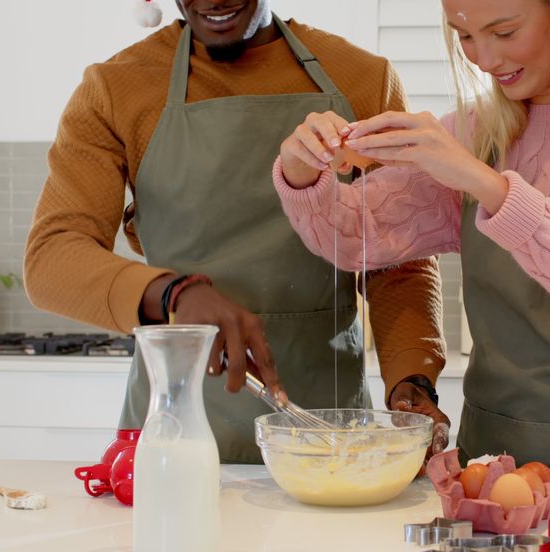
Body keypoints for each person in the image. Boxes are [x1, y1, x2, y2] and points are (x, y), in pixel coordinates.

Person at [274, 0, 550, 469]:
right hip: (496, 458)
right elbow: (353, 240)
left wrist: (484, 182)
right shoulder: (473, 130)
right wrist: (302, 170)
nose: (483, 58)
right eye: (464, 36)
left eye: (503, 33)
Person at [24, 0, 450, 464]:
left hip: (329, 440)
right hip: (174, 441)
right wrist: (174, 295)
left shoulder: (363, 79)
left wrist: (413, 378)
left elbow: (398, 262)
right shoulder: (115, 88)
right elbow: (50, 258)